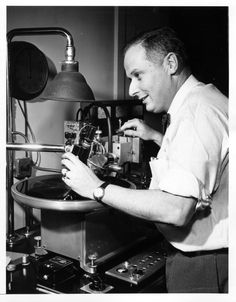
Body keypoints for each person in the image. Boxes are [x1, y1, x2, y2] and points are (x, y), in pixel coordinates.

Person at [61, 27, 228, 293]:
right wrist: (156, 137)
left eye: (138, 75)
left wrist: (96, 187)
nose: (132, 88)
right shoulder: (204, 101)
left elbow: (176, 209)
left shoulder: (196, 112)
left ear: (170, 64)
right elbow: (204, 162)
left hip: (203, 264)